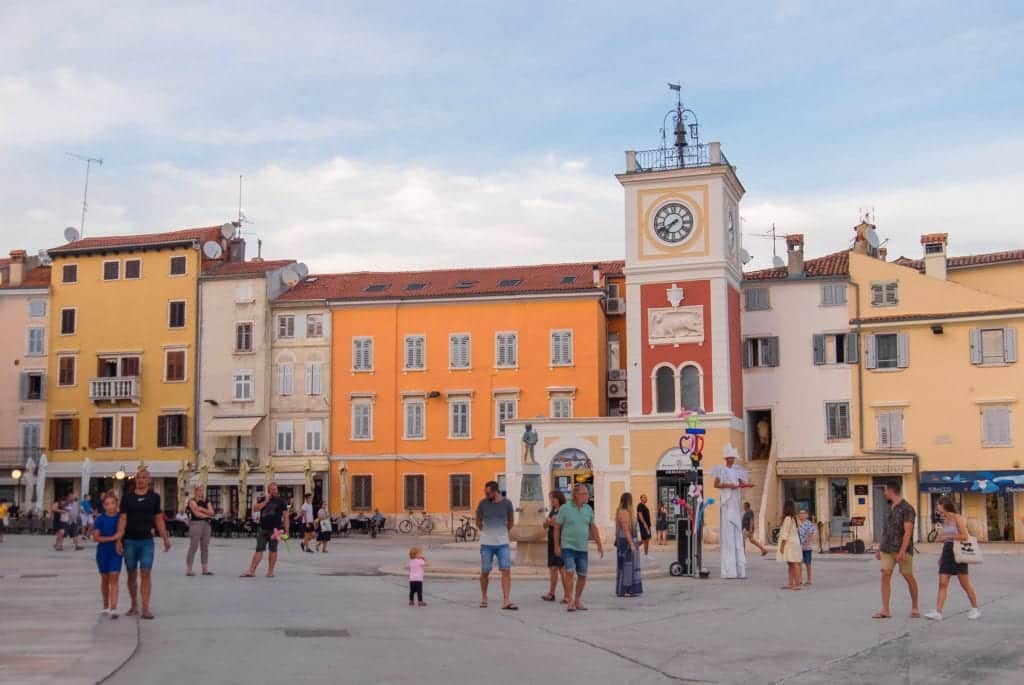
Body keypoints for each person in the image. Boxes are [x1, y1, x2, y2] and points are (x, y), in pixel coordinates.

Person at [116, 468, 171, 619]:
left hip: (147, 541)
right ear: (135, 480)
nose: (141, 480)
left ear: (149, 480)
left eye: (144, 477)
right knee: (131, 574)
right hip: (129, 541)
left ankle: (146, 607)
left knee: (146, 572)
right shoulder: (127, 498)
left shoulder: (155, 497)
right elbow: (122, 519)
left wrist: (165, 538)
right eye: (138, 477)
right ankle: (134, 604)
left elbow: (158, 518)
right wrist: (118, 539)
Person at [925, 496, 981, 621]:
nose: (937, 507)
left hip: (958, 552)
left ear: (944, 505)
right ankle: (938, 612)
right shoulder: (945, 520)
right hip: (947, 552)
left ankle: (975, 608)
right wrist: (941, 556)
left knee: (965, 584)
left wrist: (947, 536)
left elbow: (964, 536)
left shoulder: (957, 518)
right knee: (942, 583)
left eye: (938, 505)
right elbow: (945, 540)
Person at [873, 480, 920, 619]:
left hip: (902, 549)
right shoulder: (889, 507)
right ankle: (885, 609)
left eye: (885, 490)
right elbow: (886, 530)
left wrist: (902, 551)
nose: (885, 492)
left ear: (891, 490)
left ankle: (915, 606)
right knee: (885, 575)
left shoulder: (907, 508)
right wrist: (879, 548)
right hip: (887, 548)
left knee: (908, 576)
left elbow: (908, 532)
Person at [554, 483, 603, 612]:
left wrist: (599, 544)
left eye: (587, 493)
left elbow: (593, 527)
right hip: (568, 546)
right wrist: (557, 546)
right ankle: (570, 601)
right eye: (585, 494)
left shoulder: (588, 509)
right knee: (569, 571)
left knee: (582, 575)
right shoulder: (565, 508)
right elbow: (557, 527)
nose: (587, 496)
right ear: (576, 495)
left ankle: (577, 600)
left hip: (582, 548)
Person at [712, 445, 754, 579]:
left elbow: (741, 483)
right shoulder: (721, 470)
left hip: (735, 501)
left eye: (733, 458)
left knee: (737, 534)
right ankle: (729, 570)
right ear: (726, 458)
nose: (731, 460)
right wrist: (728, 485)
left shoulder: (737, 471)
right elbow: (716, 485)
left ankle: (740, 569)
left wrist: (747, 485)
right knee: (728, 534)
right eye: (729, 458)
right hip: (727, 501)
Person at [475, 480, 516, 610]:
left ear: (495, 491)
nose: (486, 496)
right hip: (486, 544)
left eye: (488, 493)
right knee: (485, 571)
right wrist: (486, 531)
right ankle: (484, 597)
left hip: (503, 543)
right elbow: (478, 521)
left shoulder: (507, 504)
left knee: (506, 570)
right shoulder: (482, 504)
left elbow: (511, 522)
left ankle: (506, 600)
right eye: (485, 493)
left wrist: (502, 532)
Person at [242, 483, 289, 578]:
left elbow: (286, 516)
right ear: (268, 490)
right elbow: (255, 509)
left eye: (275, 489)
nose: (274, 491)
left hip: (275, 530)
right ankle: (251, 571)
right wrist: (266, 501)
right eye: (272, 489)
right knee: (259, 549)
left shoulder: (281, 501)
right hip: (262, 528)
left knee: (273, 550)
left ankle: (270, 572)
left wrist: (287, 530)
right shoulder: (263, 498)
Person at [93, 492, 123, 618]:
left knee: (114, 576)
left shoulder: (121, 518)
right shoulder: (100, 518)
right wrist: (113, 538)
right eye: (107, 504)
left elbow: (122, 532)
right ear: (104, 506)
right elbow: (96, 537)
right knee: (105, 579)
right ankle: (105, 605)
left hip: (116, 551)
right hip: (103, 551)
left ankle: (114, 607)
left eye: (112, 503)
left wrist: (118, 539)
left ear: (117, 504)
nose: (110, 506)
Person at [541, 490, 568, 603]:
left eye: (553, 498)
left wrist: (551, 522)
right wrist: (549, 522)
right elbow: (545, 525)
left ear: (559, 498)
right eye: (550, 498)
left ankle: (567, 595)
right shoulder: (553, 511)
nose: (551, 500)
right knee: (553, 568)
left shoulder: (564, 510)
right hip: (551, 541)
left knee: (562, 569)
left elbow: (561, 524)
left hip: (561, 542)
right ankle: (551, 593)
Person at [615, 492, 643, 598]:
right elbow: (626, 529)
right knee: (627, 566)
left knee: (628, 566)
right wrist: (631, 543)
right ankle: (626, 589)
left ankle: (628, 589)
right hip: (626, 542)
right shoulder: (624, 512)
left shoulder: (623, 511)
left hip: (627, 540)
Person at [185, 485, 215, 577]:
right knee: (193, 546)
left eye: (202, 490)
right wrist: (208, 515)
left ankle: (205, 569)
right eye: (199, 490)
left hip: (206, 525)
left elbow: (212, 512)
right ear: (195, 491)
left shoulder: (206, 501)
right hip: (195, 524)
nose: (201, 492)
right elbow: (196, 514)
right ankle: (189, 570)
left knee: (205, 547)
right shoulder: (192, 501)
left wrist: (202, 509)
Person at [776, 501, 802, 590]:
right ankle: (791, 583)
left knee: (794, 563)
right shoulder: (795, 518)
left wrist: (782, 546)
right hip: (795, 541)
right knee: (791, 563)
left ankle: (797, 584)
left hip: (789, 543)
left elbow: (785, 534)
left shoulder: (787, 518)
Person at [797, 509, 816, 586]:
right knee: (799, 563)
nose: (801, 515)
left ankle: (809, 579)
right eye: (800, 513)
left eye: (803, 513)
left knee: (808, 563)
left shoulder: (809, 524)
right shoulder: (797, 523)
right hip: (798, 546)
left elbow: (810, 535)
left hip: (807, 547)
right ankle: (800, 579)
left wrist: (806, 544)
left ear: (807, 515)